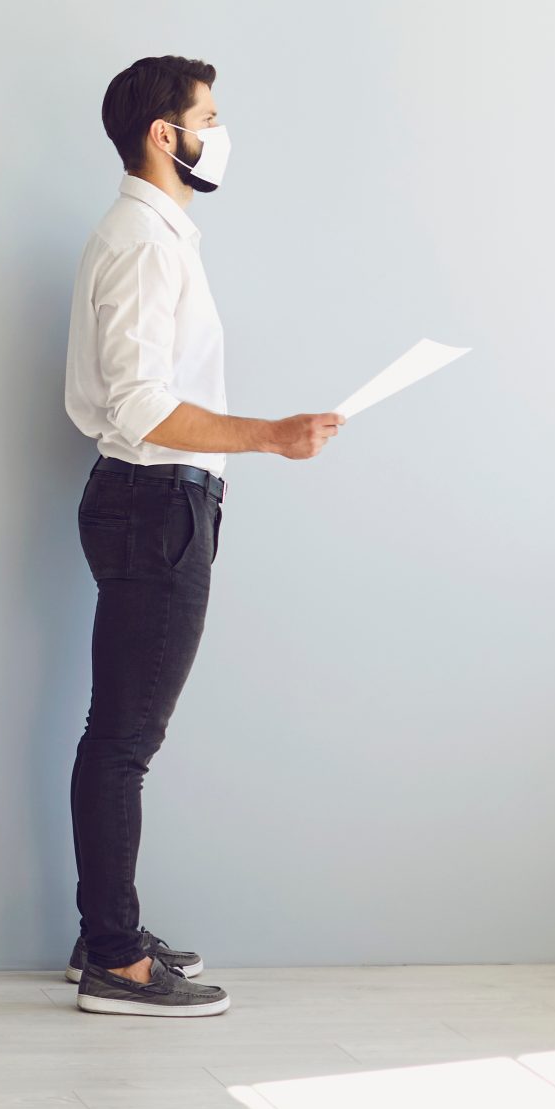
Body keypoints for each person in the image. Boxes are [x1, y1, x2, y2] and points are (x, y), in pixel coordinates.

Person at [63, 55, 343, 1017]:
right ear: (163, 135)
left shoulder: (160, 234)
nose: (218, 135)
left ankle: (104, 928)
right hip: (154, 501)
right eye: (208, 117)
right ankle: (113, 956)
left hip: (157, 503)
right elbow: (140, 405)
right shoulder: (144, 240)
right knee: (125, 739)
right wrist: (268, 435)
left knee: (121, 732)